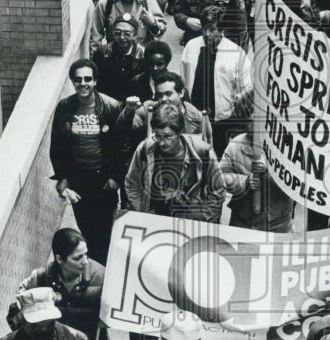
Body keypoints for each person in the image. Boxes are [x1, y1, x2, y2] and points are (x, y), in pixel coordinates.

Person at [14, 228, 111, 340]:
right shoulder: (39, 278)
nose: (85, 262)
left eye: (86, 254)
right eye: (77, 258)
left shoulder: (102, 277)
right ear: (59, 259)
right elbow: (17, 311)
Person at [49, 59, 122, 264]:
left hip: (103, 179)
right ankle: (94, 270)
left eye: (88, 79)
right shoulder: (64, 107)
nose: (83, 83)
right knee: (86, 230)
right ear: (73, 81)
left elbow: (121, 146)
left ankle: (105, 271)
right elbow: (57, 145)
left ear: (95, 81)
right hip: (78, 178)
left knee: (105, 231)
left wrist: (116, 177)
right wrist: (62, 177)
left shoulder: (111, 106)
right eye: (78, 79)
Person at [124, 100, 226, 221]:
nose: (161, 142)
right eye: (157, 135)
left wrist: (204, 215)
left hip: (190, 221)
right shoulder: (145, 149)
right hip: (155, 218)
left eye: (167, 137)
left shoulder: (202, 152)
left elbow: (218, 188)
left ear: (179, 133)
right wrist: (143, 211)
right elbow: (132, 183)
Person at [182, 7, 253, 156]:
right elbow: (184, 78)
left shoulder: (236, 53)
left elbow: (245, 91)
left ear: (222, 30)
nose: (207, 34)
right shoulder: (191, 47)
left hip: (223, 121)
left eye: (212, 30)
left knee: (219, 156)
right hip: (194, 118)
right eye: (204, 29)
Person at [118, 70, 212, 160]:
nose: (163, 99)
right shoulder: (147, 110)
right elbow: (122, 131)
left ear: (181, 93)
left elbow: (207, 152)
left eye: (168, 94)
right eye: (159, 95)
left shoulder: (200, 118)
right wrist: (129, 111)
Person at [219, 120, 295, 232]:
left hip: (277, 223)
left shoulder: (287, 145)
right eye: (250, 121)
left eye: (260, 120)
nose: (254, 126)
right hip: (243, 221)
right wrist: (245, 182)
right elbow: (220, 176)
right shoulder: (235, 145)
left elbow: (295, 184)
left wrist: (269, 173)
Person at [91, 15, 144, 101]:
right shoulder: (102, 53)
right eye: (117, 33)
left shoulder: (142, 55)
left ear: (135, 35)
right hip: (107, 102)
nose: (122, 37)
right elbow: (95, 80)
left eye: (127, 34)